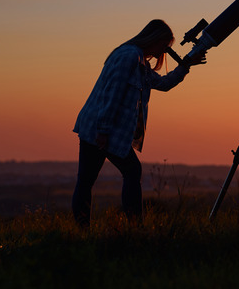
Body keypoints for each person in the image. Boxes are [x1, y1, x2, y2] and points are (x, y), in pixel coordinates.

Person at [71, 19, 205, 228]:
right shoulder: (129, 57)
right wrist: (104, 130)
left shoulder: (139, 60)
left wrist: (186, 65)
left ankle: (83, 229)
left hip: (104, 127)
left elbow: (163, 84)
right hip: (101, 128)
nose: (164, 51)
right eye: (165, 45)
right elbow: (112, 94)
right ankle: (133, 227)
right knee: (128, 172)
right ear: (155, 39)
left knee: (90, 180)